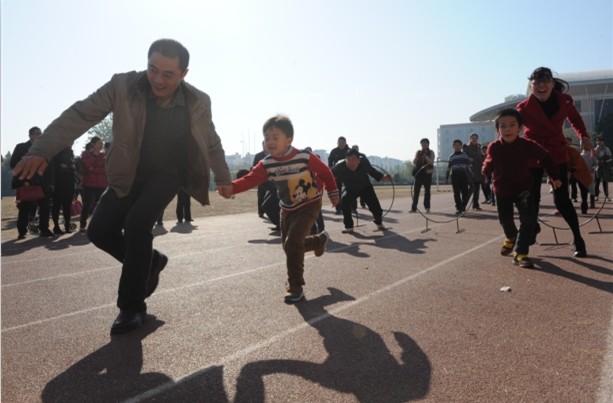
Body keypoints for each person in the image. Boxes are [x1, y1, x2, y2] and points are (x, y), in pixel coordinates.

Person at [12, 39, 233, 334]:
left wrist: (224, 177)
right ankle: (151, 261)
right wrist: (41, 149)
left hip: (169, 173)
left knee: (137, 223)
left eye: (168, 74)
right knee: (99, 231)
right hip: (127, 171)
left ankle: (132, 307)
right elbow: (80, 114)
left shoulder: (198, 101)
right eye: (153, 69)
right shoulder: (122, 86)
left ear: (184, 74)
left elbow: (211, 141)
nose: (158, 80)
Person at [221, 115, 339, 303]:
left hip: (309, 204)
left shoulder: (304, 157)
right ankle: (319, 241)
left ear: (289, 139)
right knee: (289, 246)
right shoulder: (267, 164)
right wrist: (231, 188)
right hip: (287, 208)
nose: (270, 142)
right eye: (267, 138)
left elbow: (325, 171)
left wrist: (333, 192)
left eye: (275, 138)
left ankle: (295, 286)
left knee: (293, 243)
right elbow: (250, 179)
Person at [516, 67, 590, 257]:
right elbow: (512, 129)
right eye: (537, 82)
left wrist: (583, 136)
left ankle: (578, 239)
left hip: (556, 152)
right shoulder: (523, 108)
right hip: (533, 153)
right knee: (531, 198)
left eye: (545, 81)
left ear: (552, 83)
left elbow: (575, 118)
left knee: (562, 199)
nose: (541, 85)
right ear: (531, 86)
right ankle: (532, 227)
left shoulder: (565, 101)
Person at [482, 109, 561, 268]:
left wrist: (555, 176)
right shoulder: (494, 147)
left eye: (512, 125)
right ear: (498, 130)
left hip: (523, 189)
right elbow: (489, 162)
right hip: (502, 190)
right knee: (505, 221)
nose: (508, 129)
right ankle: (511, 237)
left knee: (529, 219)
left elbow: (546, 157)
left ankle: (520, 253)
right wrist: (486, 173)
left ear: (520, 128)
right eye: (503, 126)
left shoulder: (527, 145)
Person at [332, 148, 391, 233]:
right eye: (348, 160)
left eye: (353, 159)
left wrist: (383, 177)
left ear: (359, 160)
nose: (351, 163)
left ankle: (379, 223)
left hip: (365, 187)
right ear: (345, 160)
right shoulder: (339, 166)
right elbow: (329, 177)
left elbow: (372, 171)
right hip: (350, 188)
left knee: (375, 206)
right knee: (344, 202)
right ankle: (348, 226)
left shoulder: (364, 162)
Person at [10, 127, 54, 239]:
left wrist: (51, 183)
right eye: (37, 133)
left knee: (45, 207)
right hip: (27, 182)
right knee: (25, 208)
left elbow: (49, 166)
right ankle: (22, 232)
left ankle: (44, 229)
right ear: (30, 135)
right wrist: (24, 176)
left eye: (41, 133)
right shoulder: (21, 147)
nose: (40, 135)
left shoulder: (45, 148)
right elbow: (13, 163)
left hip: (42, 182)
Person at [79, 137, 107, 232]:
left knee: (99, 205)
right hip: (89, 183)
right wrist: (93, 155)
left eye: (102, 143)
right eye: (99, 143)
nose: (101, 145)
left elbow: (105, 169)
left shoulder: (104, 155)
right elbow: (86, 165)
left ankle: (96, 224)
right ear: (93, 144)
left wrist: (94, 169)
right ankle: (82, 224)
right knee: (86, 205)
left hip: (101, 184)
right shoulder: (86, 154)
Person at [51, 146, 76, 234]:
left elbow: (72, 164)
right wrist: (60, 165)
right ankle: (56, 226)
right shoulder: (56, 150)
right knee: (57, 205)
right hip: (58, 182)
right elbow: (53, 164)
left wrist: (73, 166)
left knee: (67, 205)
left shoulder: (70, 151)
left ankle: (67, 226)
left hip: (69, 181)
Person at [445, 139, 472, 216]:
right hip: (454, 175)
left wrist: (472, 172)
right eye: (455, 145)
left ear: (461, 146)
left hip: (463, 174)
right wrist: (447, 177)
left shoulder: (464, 155)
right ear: (453, 147)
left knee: (465, 192)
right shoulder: (451, 156)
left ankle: (463, 205)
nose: (457, 146)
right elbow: (449, 168)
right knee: (456, 192)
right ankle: (459, 208)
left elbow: (469, 165)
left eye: (459, 145)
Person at [410, 138, 435, 213]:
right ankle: (414, 208)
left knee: (427, 191)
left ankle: (427, 207)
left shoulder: (431, 152)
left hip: (427, 173)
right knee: (416, 191)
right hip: (418, 174)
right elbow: (414, 162)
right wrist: (417, 156)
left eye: (425, 143)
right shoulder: (418, 152)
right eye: (422, 143)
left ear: (428, 144)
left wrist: (425, 156)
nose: (423, 144)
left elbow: (431, 162)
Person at [328, 136, 350, 214]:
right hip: (337, 173)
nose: (341, 144)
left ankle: (352, 207)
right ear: (337, 143)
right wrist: (331, 172)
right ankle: (338, 208)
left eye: (343, 142)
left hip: (348, 173)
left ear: (345, 143)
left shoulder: (349, 151)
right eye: (340, 142)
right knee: (338, 191)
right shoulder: (334, 151)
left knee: (351, 189)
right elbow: (330, 163)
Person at [463, 133, 484, 210]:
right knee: (471, 188)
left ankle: (475, 205)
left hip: (478, 171)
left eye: (476, 138)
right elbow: (463, 155)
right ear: (470, 139)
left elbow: (481, 157)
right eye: (473, 138)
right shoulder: (466, 147)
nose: (474, 139)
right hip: (470, 171)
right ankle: (463, 205)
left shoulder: (479, 148)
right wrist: (468, 158)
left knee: (477, 189)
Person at [579, 142, 598, 213]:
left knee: (592, 188)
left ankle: (592, 203)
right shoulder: (579, 155)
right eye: (584, 145)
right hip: (582, 175)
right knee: (583, 190)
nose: (585, 146)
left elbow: (596, 164)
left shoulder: (592, 155)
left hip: (590, 174)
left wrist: (593, 169)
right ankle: (584, 205)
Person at [252, 141, 268, 217]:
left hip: (272, 179)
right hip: (261, 179)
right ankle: (260, 211)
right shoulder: (258, 156)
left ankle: (272, 211)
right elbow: (254, 167)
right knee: (261, 195)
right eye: (264, 144)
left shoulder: (273, 154)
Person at [594, 137, 611, 201]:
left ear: (603, 142)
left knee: (605, 182)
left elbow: (610, 158)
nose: (599, 142)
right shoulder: (594, 150)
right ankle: (596, 196)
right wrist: (598, 161)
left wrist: (604, 160)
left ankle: (606, 196)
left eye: (600, 141)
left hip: (605, 167)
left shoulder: (607, 149)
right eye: (598, 141)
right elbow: (593, 158)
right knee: (597, 182)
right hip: (597, 167)